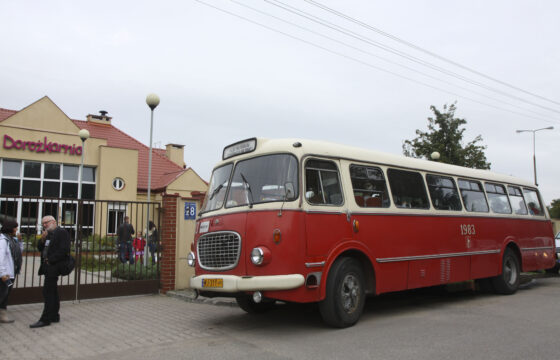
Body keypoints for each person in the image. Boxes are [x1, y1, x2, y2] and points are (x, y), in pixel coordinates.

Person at [30, 216, 70, 328]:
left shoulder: (61, 232)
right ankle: (54, 315)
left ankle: (45, 319)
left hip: (54, 266)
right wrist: (42, 239)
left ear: (53, 222)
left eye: (46, 223)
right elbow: (40, 248)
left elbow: (64, 250)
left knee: (47, 292)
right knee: (52, 291)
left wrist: (50, 260)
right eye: (43, 223)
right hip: (48, 267)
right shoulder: (48, 234)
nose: (44, 225)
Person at [0, 220, 20, 324]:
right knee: (2, 294)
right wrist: (2, 274)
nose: (16, 229)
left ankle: (2, 315)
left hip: (11, 273)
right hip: (5, 274)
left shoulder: (12, 239)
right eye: (15, 227)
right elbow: (1, 258)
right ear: (10, 228)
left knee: (5, 295)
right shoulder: (3, 240)